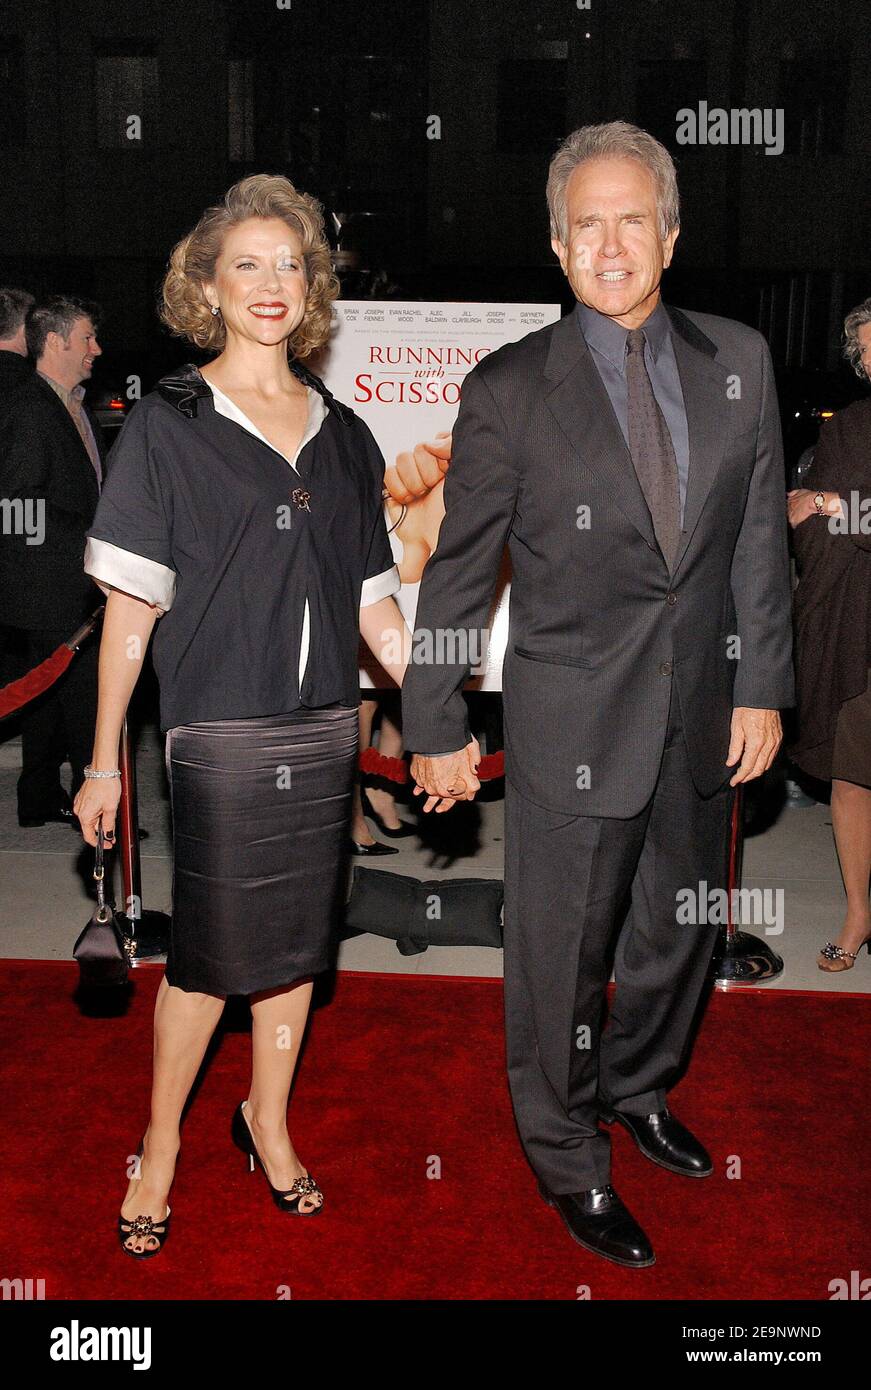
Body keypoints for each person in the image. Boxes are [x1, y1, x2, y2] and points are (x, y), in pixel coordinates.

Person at [402, 121, 794, 1268]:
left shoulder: (741, 363)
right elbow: (460, 572)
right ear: (555, 244)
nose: (610, 243)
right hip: (571, 718)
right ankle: (567, 1152)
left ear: (669, 234)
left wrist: (762, 682)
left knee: (679, 933)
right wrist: (434, 723)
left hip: (703, 717)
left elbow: (757, 547)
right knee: (561, 955)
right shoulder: (511, 389)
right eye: (587, 224)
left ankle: (640, 1085)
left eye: (633, 219)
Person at [73, 174, 437, 1257]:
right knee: (209, 957)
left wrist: (432, 710)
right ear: (208, 286)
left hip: (324, 728)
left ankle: (266, 1121)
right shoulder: (170, 424)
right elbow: (130, 611)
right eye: (248, 264)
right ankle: (162, 1139)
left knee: (295, 951)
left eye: (292, 265)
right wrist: (103, 762)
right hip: (222, 731)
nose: (272, 284)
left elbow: (375, 603)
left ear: (312, 287)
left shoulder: (346, 432)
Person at [788, 297, 871, 972]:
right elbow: (804, 523)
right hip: (854, 627)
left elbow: (825, 509)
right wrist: (824, 508)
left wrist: (835, 504)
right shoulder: (847, 428)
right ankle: (856, 913)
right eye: (869, 352)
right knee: (851, 778)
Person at [0, 294, 105, 827]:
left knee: (49, 707)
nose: (97, 348)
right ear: (57, 340)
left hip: (66, 586)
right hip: (52, 590)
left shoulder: (67, 403)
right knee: (85, 706)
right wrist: (91, 540)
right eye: (87, 338)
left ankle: (39, 800)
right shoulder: (30, 408)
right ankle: (101, 809)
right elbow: (16, 508)